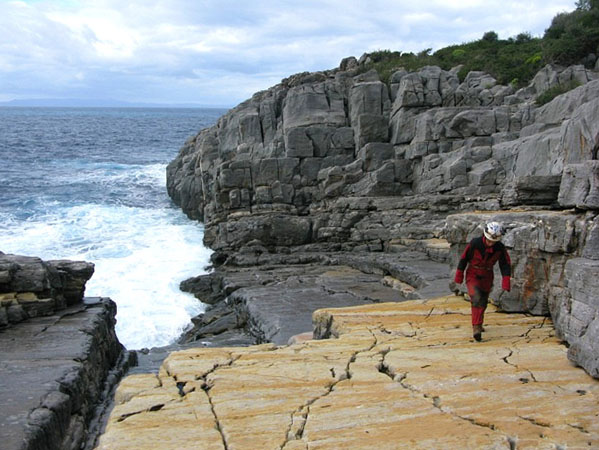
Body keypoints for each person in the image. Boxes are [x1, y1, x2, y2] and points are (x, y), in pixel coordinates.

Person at [453, 222, 511, 342]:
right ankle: (476, 327)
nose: (490, 243)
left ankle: (479, 322)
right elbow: (464, 259)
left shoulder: (499, 248)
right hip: (473, 273)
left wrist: (506, 281)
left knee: (483, 300)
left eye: (493, 242)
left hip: (487, 275)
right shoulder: (475, 243)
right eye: (489, 240)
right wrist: (459, 275)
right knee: (476, 297)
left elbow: (505, 264)